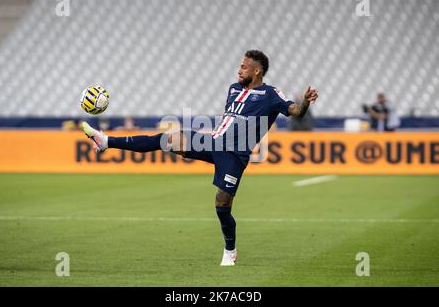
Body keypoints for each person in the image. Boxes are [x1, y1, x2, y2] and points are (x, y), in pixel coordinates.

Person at [82, 50, 318, 266]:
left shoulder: (270, 94)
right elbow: (228, 122)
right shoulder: (233, 89)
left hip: (235, 155)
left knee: (221, 205)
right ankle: (106, 141)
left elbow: (296, 112)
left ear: (257, 71)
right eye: (240, 66)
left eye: (244, 67)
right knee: (168, 138)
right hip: (213, 141)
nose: (239, 70)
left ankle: (230, 250)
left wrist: (305, 101)